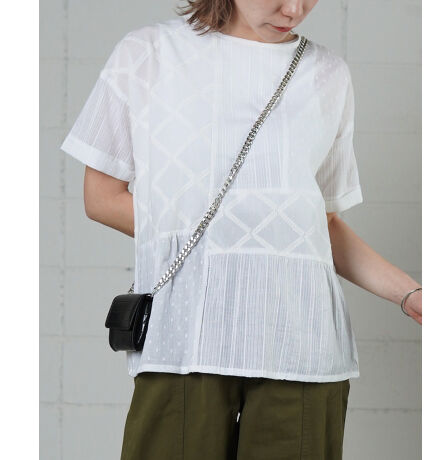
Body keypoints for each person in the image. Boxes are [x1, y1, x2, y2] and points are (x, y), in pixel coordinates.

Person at [60, 1, 422, 459]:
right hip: (186, 338)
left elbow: (320, 225)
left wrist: (410, 294)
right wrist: (228, 235)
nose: (294, 9)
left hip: (302, 343)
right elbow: (101, 198)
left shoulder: (328, 75)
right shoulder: (147, 53)